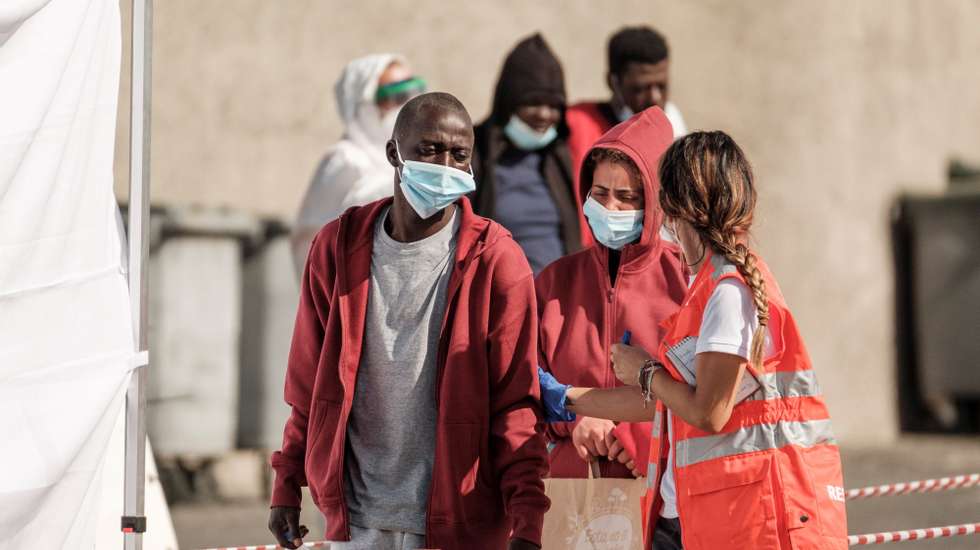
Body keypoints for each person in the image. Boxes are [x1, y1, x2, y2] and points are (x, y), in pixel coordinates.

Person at [268, 92, 549, 550]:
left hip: (457, 522)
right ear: (393, 153)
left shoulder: (497, 261)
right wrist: (286, 485)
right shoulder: (338, 248)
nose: (444, 165)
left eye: (459, 155)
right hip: (355, 520)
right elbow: (308, 387)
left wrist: (527, 521)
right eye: (429, 150)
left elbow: (517, 403)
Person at [542, 131, 848, 549]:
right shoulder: (704, 288)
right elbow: (668, 403)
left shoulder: (728, 292)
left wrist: (644, 371)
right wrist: (568, 399)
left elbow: (709, 412)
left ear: (673, 208)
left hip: (749, 514)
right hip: (694, 511)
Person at [536, 106, 687, 479]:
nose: (610, 207)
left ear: (654, 201)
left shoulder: (687, 279)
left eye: (626, 196)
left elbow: (705, 397)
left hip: (664, 500)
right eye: (600, 193)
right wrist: (575, 421)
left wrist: (632, 432)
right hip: (570, 500)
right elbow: (522, 384)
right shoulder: (554, 282)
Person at [290, 53, 427, 275]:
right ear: (363, 103)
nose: (406, 104)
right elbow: (316, 241)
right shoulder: (343, 160)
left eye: (414, 91)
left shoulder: (408, 157)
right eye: (396, 95)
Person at [567, 26, 688, 246]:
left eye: (662, 86)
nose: (654, 97)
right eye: (640, 88)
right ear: (613, 82)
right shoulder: (578, 124)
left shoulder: (674, 127)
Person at [471, 33, 582, 274]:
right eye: (533, 102)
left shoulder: (559, 157)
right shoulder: (475, 154)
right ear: (509, 102)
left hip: (557, 303)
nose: (544, 114)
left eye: (553, 105)